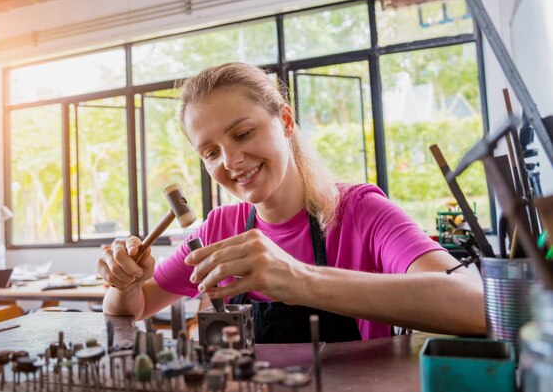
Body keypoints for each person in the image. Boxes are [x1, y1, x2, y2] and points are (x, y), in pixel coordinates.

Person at [97, 62, 485, 343]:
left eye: (243, 133)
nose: (231, 161)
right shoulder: (219, 230)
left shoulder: (359, 212)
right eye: (211, 153)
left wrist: (301, 280)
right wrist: (124, 280)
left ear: (285, 121)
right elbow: (131, 308)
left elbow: (476, 306)